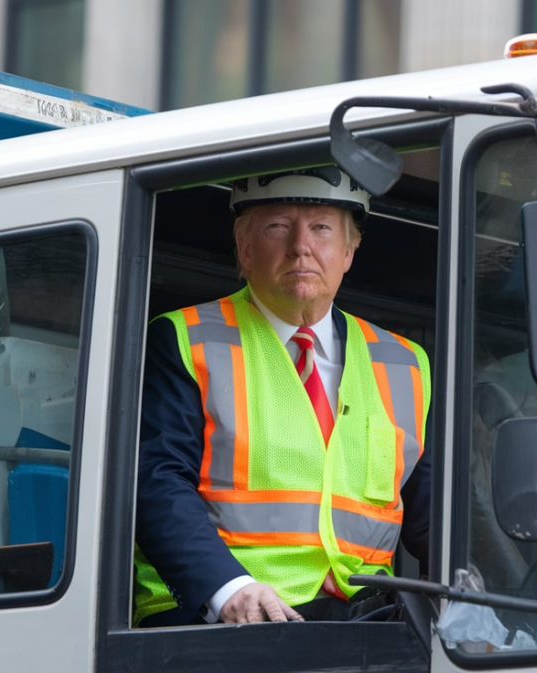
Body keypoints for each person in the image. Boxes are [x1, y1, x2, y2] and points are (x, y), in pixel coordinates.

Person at [133, 167, 432, 626]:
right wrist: (227, 589)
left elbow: (439, 518)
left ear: (350, 250)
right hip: (223, 631)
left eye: (321, 228)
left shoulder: (406, 362)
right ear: (245, 247)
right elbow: (155, 481)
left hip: (367, 631)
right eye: (278, 226)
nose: (301, 246)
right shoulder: (184, 339)